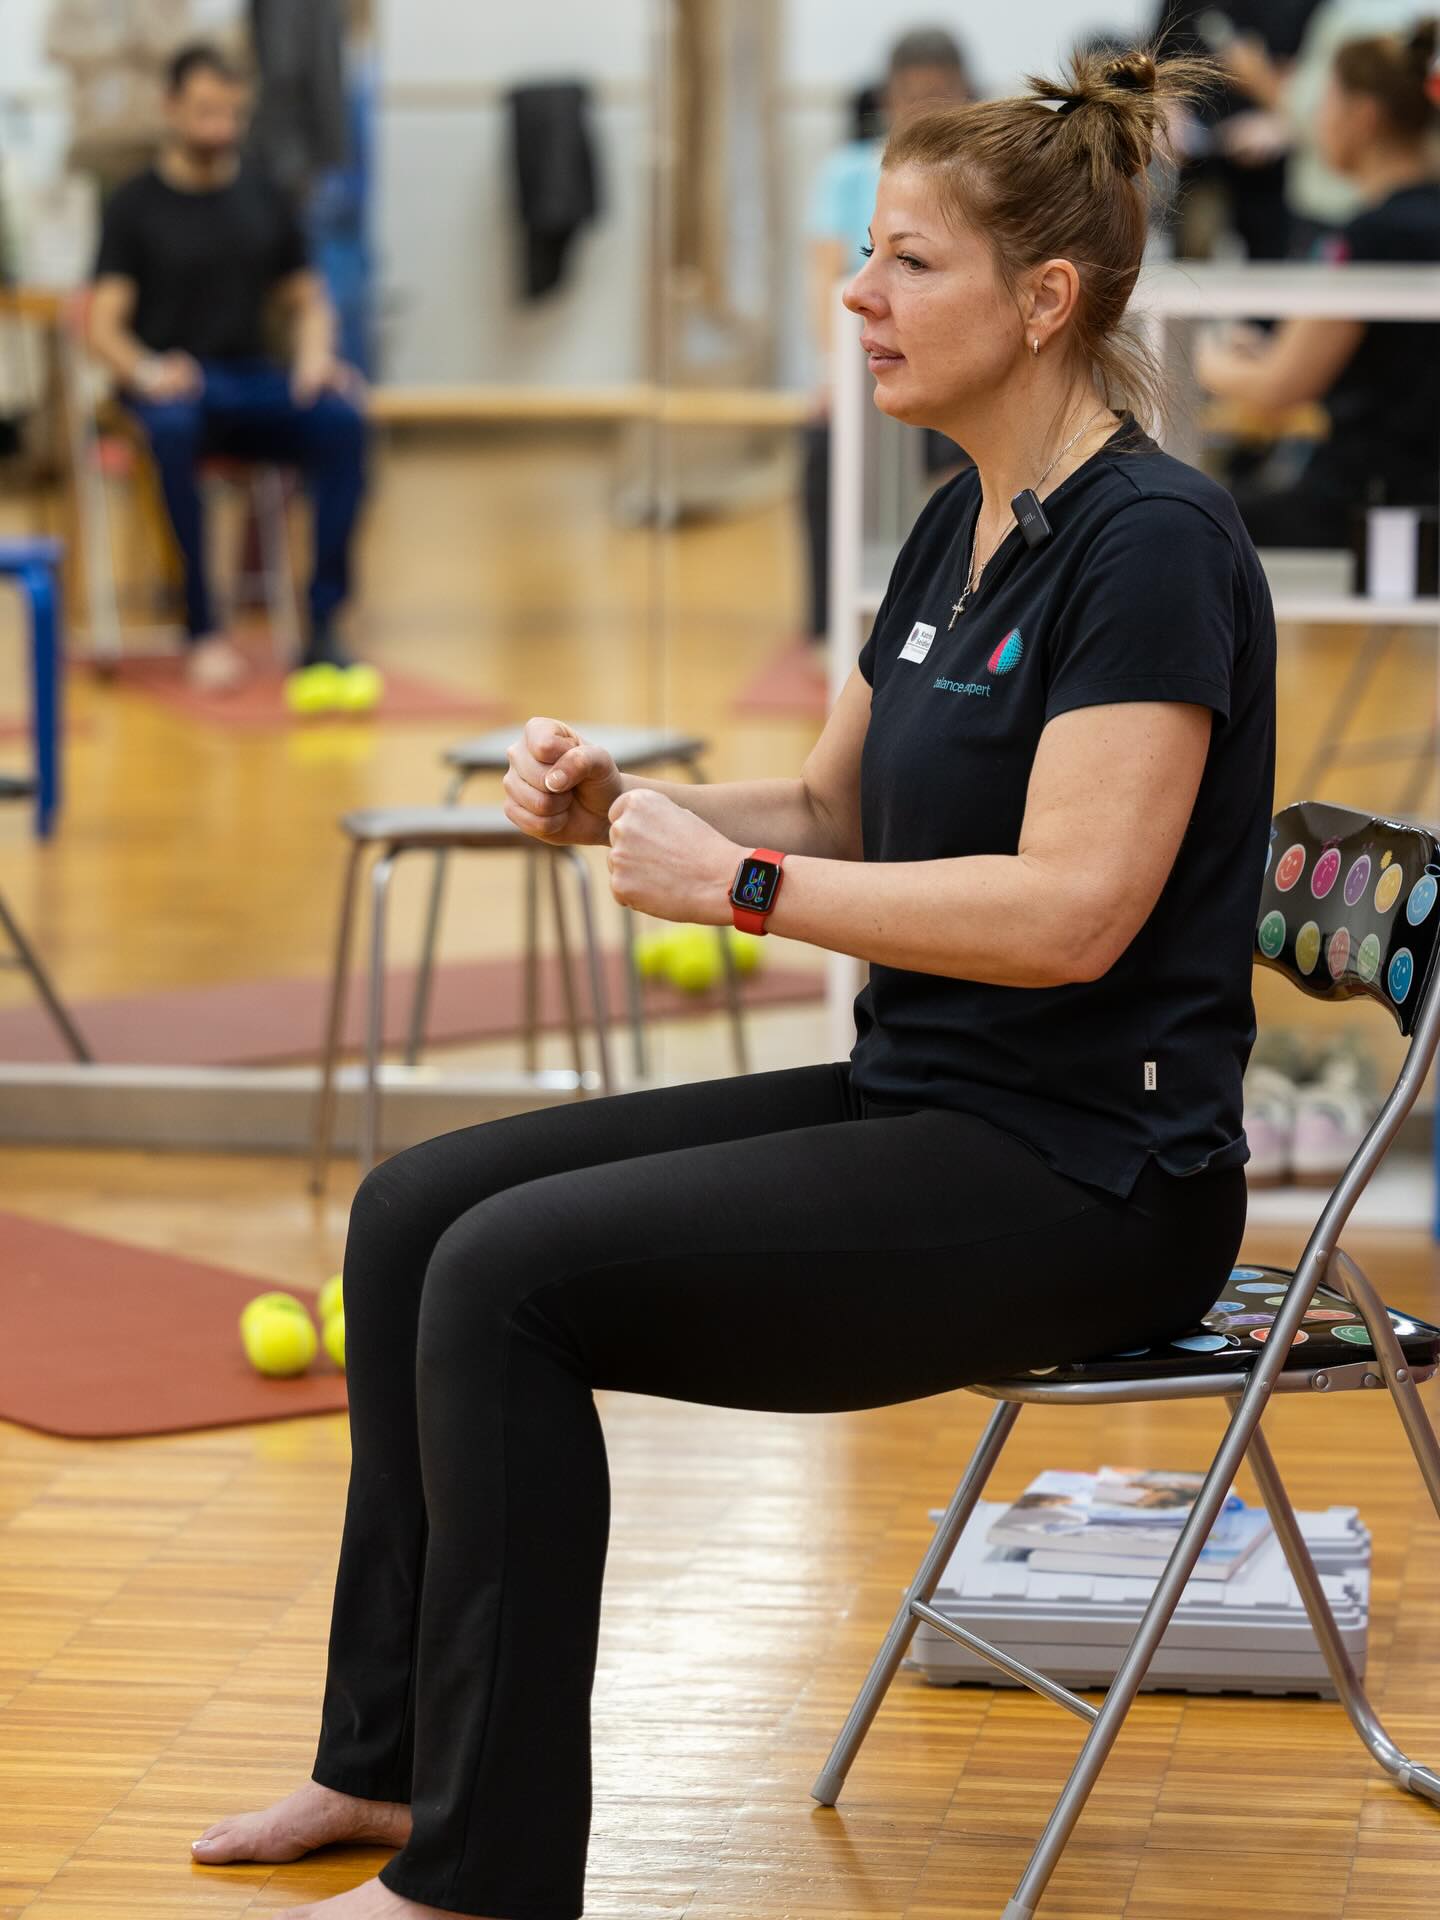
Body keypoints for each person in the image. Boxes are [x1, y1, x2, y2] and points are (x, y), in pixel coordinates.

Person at [187, 43, 1275, 1920]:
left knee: (509, 1282)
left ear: (1045, 302)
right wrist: (636, 802)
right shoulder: (956, 522)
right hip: (929, 1101)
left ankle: (487, 1874)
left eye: (905, 263)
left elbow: (1077, 917)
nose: (855, 296)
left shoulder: (1155, 544)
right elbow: (843, 798)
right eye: (867, 253)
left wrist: (746, 887)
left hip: (1093, 1177)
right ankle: (382, 1770)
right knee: (415, 1208)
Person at [87, 41, 368, 695]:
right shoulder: (134, 205)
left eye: (233, 114)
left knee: (340, 418)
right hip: (174, 390)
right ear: (171, 108)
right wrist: (150, 369)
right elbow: (103, 328)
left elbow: (308, 300)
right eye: (207, 112)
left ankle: (323, 626)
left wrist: (316, 359)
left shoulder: (263, 194)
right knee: (176, 426)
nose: (221, 128)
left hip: (250, 382)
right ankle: (201, 627)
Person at [1196, 19, 1440, 548]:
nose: (1315, 119)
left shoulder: (1371, 238)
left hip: (1375, 501)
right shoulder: (1411, 224)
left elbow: (1278, 388)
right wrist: (1264, 351)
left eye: (1325, 100)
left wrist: (1200, 357)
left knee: (1190, 526)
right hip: (1407, 488)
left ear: (1363, 115)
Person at [801, 27, 973, 644]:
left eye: (940, 94)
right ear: (889, 98)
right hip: (866, 364)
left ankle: (973, 606)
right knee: (822, 441)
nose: (925, 109)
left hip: (946, 368)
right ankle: (827, 619)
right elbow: (828, 280)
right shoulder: (848, 171)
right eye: (912, 95)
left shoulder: (976, 178)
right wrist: (834, 372)